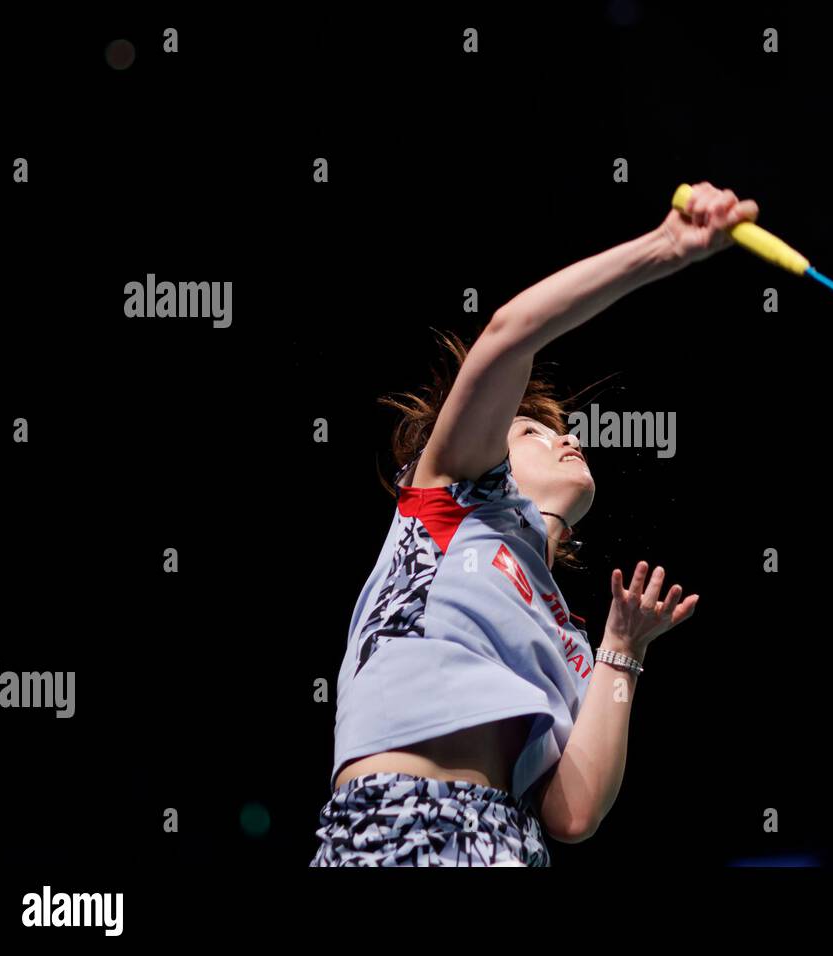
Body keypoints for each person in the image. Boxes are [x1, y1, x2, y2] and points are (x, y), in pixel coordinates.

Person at [310, 182, 757, 865]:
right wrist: (665, 248)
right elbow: (513, 331)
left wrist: (623, 649)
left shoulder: (567, 639)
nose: (562, 440)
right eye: (529, 430)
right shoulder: (448, 501)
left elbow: (573, 813)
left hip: (509, 847)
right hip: (399, 822)